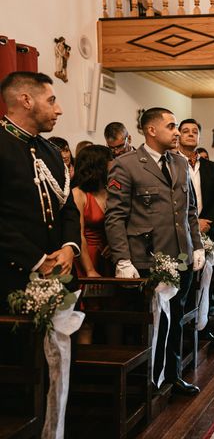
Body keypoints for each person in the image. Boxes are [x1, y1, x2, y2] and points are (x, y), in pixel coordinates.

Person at [105, 107, 205, 395]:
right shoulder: (126, 165)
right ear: (151, 130)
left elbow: (190, 212)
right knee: (146, 326)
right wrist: (122, 258)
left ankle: (172, 376)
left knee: (175, 320)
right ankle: (143, 384)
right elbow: (116, 217)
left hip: (181, 257)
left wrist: (196, 246)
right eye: (172, 126)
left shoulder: (181, 163)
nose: (177, 132)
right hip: (147, 259)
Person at [0, 71, 80, 312]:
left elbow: (68, 207)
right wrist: (38, 261)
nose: (59, 110)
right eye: (52, 100)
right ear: (26, 101)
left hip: (60, 275)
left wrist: (68, 248)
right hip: (12, 280)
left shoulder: (51, 151)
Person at [178, 118, 214, 347]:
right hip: (180, 230)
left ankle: (202, 325)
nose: (190, 134)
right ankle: (185, 330)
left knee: (205, 280)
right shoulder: (172, 161)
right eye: (185, 131)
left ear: (199, 137)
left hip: (206, 227)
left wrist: (208, 220)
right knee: (185, 281)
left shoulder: (208, 167)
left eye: (194, 131)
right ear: (178, 135)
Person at [72, 145, 117, 344]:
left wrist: (114, 245)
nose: (114, 164)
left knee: (114, 315)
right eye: (110, 161)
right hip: (87, 257)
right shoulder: (78, 194)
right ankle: (88, 371)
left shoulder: (112, 191)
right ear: (98, 165)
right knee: (88, 315)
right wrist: (89, 270)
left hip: (110, 258)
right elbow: (78, 234)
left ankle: (115, 366)